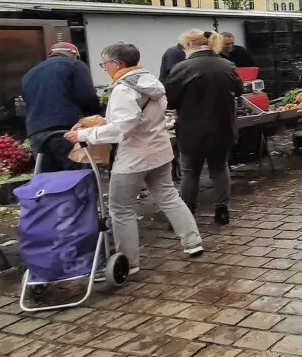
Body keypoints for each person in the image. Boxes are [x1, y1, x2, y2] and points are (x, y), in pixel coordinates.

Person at [67, 42, 203, 275]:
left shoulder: (123, 89)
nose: (105, 68)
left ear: (117, 63)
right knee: (169, 196)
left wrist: (84, 134)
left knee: (120, 208)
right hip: (159, 151)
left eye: (105, 64)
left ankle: (128, 263)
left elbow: (123, 129)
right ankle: (193, 243)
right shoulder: (151, 82)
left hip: (134, 157)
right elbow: (139, 119)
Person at [166, 30, 243, 225]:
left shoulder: (181, 68)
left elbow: (170, 100)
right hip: (222, 127)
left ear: (190, 45)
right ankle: (222, 209)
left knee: (190, 171)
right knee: (219, 167)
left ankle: (188, 213)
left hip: (192, 130)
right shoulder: (227, 65)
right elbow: (240, 91)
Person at [21, 42, 101, 173]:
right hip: (67, 130)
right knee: (79, 176)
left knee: (48, 181)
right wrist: (97, 116)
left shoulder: (28, 74)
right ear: (74, 55)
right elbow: (87, 97)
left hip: (36, 134)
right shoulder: (75, 65)